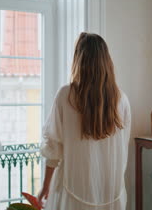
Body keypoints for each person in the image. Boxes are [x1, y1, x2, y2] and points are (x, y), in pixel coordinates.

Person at [37, 32, 131, 210]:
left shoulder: (66, 96)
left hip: (72, 192)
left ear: (79, 60)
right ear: (106, 61)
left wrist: (46, 186)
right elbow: (122, 150)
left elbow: (53, 147)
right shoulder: (122, 99)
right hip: (110, 195)